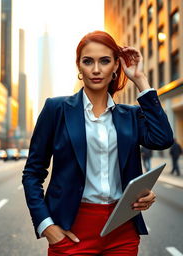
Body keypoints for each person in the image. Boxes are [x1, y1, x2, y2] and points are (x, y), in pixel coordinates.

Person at [22, 30, 173, 255]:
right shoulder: (56, 109)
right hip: (72, 230)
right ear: (79, 67)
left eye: (104, 61)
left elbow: (163, 139)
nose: (95, 69)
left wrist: (141, 80)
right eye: (87, 61)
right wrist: (47, 226)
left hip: (122, 230)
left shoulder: (130, 115)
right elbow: (33, 173)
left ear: (115, 67)